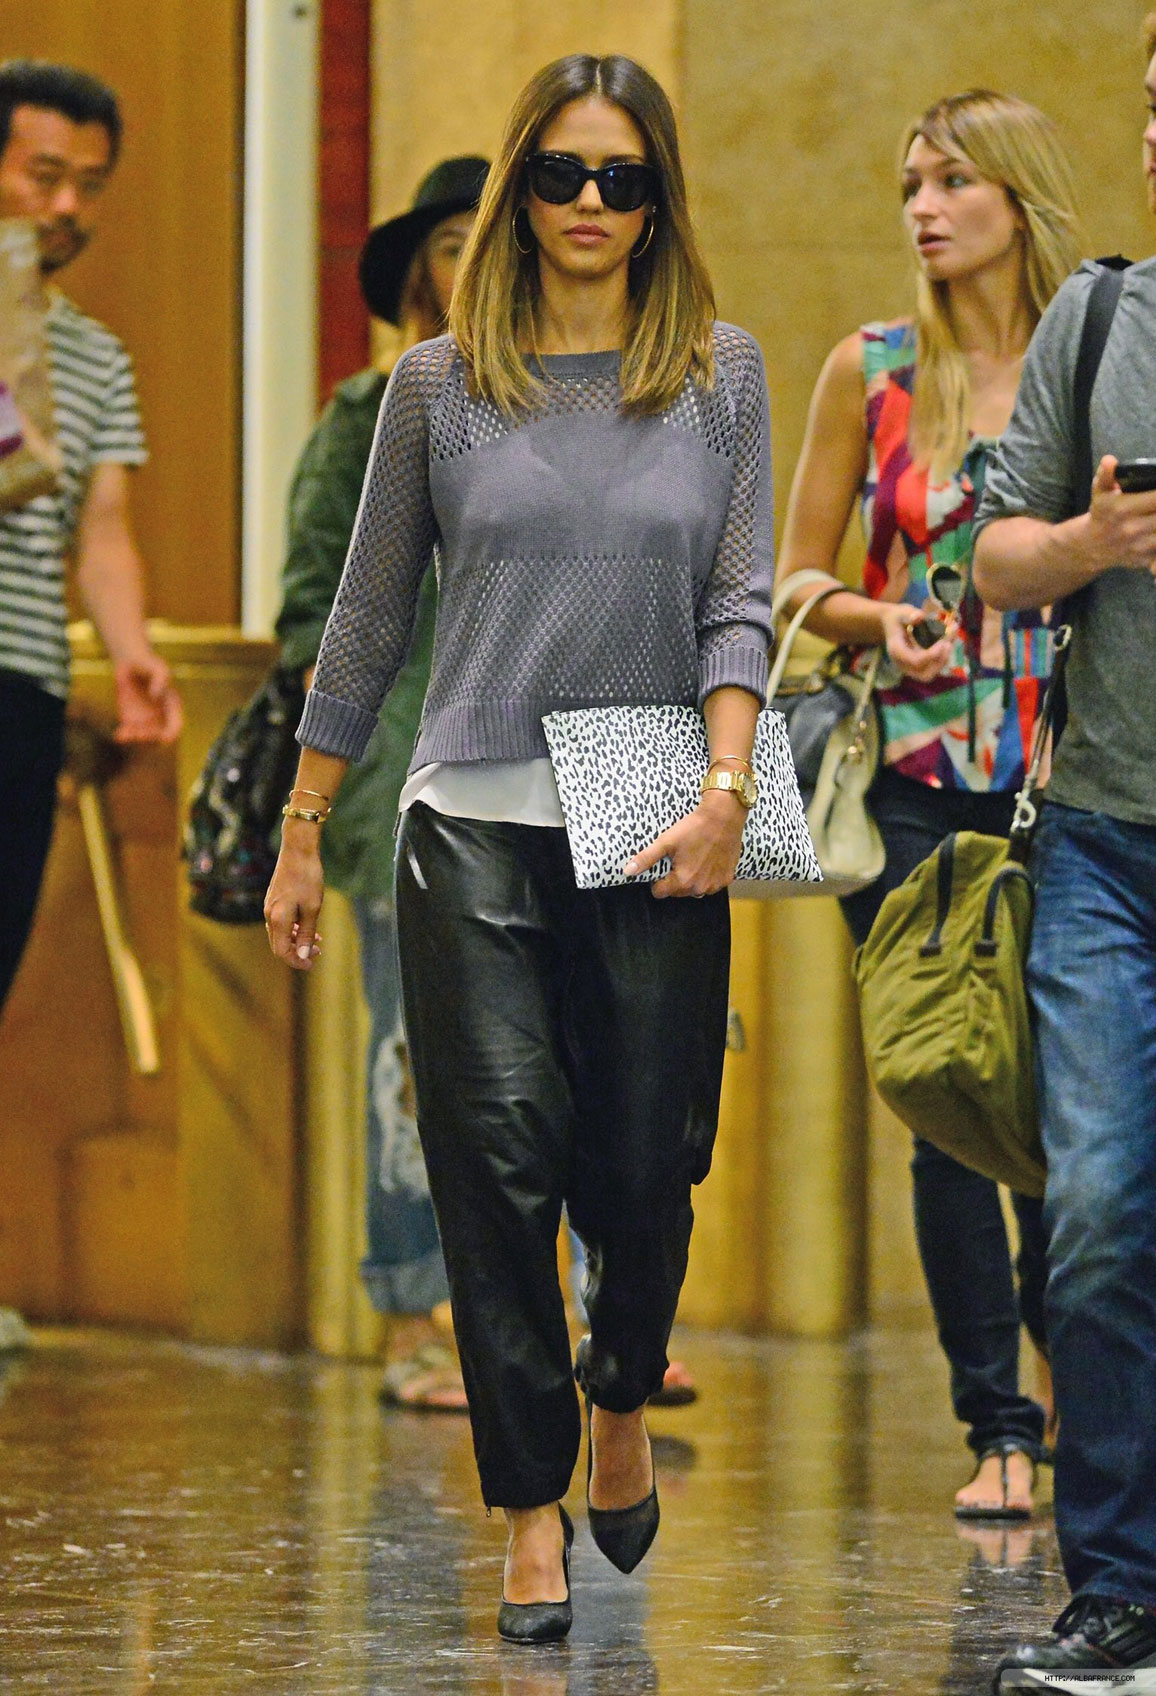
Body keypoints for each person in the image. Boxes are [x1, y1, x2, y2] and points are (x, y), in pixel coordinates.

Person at [265, 51, 773, 1644]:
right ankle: (530, 1507)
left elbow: (739, 603)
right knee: (497, 1166)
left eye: (625, 180)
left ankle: (622, 1392)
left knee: (643, 1161)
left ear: (661, 198)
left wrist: (728, 788)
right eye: (563, 174)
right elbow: (359, 625)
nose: (593, 206)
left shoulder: (722, 372)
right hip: (469, 799)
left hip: (650, 791)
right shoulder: (436, 385)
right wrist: (298, 831)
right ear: (516, 188)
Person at [774, 90, 1083, 1518]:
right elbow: (787, 580)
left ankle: (1086, 1375)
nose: (924, 206)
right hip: (907, 789)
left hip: (1075, 781)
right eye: (911, 181)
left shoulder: (1102, 354)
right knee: (949, 1095)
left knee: (1071, 1104)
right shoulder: (874, 371)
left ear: (1017, 198)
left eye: (954, 180)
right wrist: (869, 617)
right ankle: (997, 1424)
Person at [974, 9, 1156, 1689]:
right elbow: (991, 554)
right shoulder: (1098, 311)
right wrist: (1092, 540)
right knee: (1099, 1218)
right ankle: (1124, 1590)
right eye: (1155, 105)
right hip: (1110, 845)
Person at [275, 155, 489, 1413]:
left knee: (556, 1047)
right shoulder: (365, 412)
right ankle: (415, 1315)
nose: (475, 266)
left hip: (547, 771)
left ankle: (570, 1307)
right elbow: (310, 606)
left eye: (490, 239)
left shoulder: (570, 411)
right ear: (419, 270)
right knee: (410, 1052)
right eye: (454, 241)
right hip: (396, 775)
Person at [0, 59, 181, 1018]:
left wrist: (133, 652)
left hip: (21, 688)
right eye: (45, 175)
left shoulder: (95, 356)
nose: (68, 205)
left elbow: (101, 530)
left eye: (92, 185)